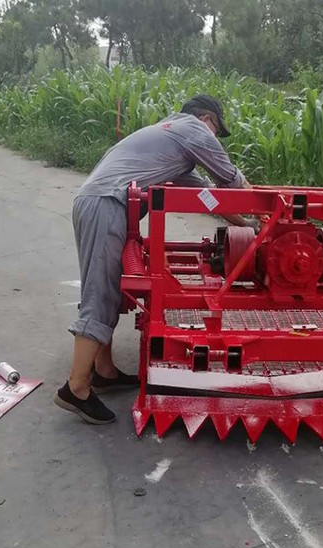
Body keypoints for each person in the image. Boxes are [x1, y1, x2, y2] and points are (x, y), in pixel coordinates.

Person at [54, 94, 255, 425]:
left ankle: (104, 372)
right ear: (209, 121)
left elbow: (209, 198)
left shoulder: (171, 147)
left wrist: (249, 228)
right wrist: (270, 211)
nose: (215, 141)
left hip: (99, 202)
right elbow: (231, 182)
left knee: (110, 288)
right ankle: (76, 387)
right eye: (218, 133)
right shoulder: (194, 130)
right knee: (100, 291)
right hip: (106, 205)